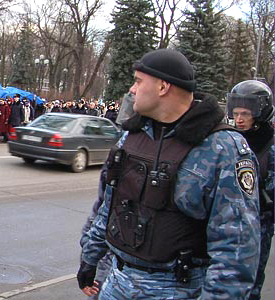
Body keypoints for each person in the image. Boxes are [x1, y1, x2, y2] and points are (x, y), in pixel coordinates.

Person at [77, 49, 260, 299]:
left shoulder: (223, 148)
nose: (132, 89)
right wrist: (90, 257)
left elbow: (236, 250)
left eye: (139, 81)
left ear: (163, 87)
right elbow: (108, 207)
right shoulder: (131, 137)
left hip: (177, 288)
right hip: (118, 280)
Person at [226, 80, 274, 300]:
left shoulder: (270, 146)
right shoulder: (229, 141)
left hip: (258, 224)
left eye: (245, 113)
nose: (240, 119)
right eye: (236, 113)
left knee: (250, 282)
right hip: (226, 223)